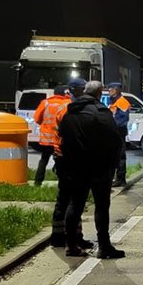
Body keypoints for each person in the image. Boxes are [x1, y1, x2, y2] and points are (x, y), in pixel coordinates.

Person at [59, 81, 125, 259]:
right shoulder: (101, 111)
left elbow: (62, 137)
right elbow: (114, 140)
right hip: (99, 167)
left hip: (75, 166)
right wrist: (113, 165)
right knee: (101, 206)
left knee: (75, 205)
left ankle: (71, 245)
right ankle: (104, 246)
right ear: (98, 94)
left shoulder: (70, 112)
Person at [51, 77, 89, 248]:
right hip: (69, 158)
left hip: (63, 157)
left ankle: (62, 236)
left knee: (68, 198)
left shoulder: (67, 108)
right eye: (82, 89)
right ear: (75, 91)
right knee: (72, 199)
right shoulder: (69, 109)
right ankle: (69, 237)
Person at [32, 85, 71, 186]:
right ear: (65, 93)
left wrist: (45, 125)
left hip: (46, 138)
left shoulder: (45, 102)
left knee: (44, 159)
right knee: (62, 160)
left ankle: (37, 182)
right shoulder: (68, 103)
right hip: (60, 138)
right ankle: (62, 182)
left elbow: (36, 118)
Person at [106, 83, 131, 187]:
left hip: (118, 132)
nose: (109, 91)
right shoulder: (114, 101)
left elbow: (122, 119)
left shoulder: (122, 102)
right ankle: (116, 178)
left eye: (110, 89)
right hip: (113, 132)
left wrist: (112, 126)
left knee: (120, 155)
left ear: (116, 90)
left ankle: (120, 179)